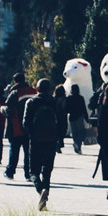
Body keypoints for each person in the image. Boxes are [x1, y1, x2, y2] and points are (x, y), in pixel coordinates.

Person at [22, 77, 65, 208]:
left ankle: (41, 190)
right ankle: (44, 200)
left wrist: (32, 133)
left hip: (36, 140)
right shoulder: (54, 102)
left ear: (37, 89)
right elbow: (62, 121)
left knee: (33, 171)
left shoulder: (31, 102)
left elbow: (25, 122)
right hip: (51, 139)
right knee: (47, 171)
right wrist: (59, 137)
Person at [3, 73, 32, 179]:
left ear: (15, 81)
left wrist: (2, 109)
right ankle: (28, 173)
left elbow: (8, 109)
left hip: (16, 127)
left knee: (14, 150)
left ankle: (10, 171)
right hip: (30, 127)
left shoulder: (15, 92)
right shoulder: (33, 92)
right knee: (28, 151)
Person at [64, 82, 90, 154]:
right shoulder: (80, 98)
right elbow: (84, 109)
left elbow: (66, 109)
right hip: (79, 117)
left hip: (71, 117)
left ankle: (78, 148)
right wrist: (87, 119)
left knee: (75, 133)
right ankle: (77, 144)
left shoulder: (69, 98)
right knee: (81, 132)